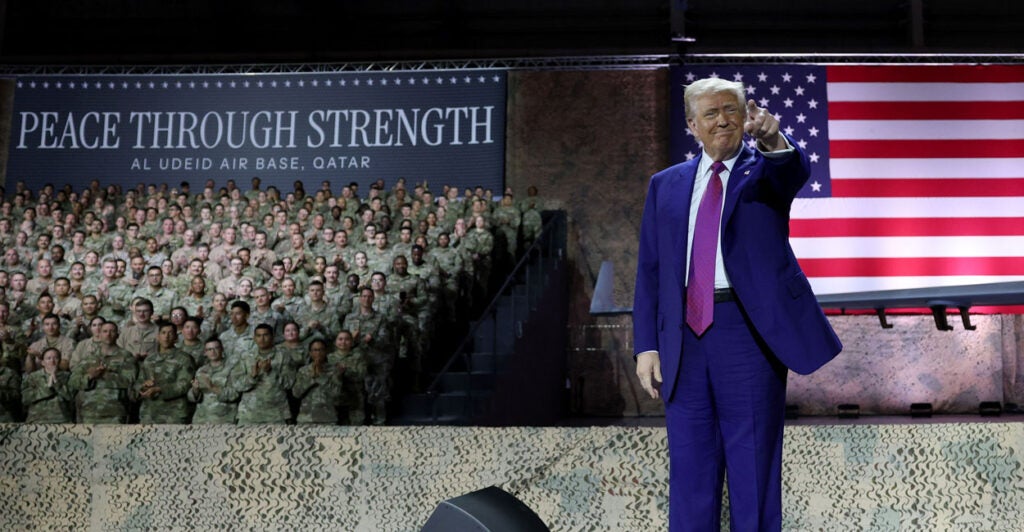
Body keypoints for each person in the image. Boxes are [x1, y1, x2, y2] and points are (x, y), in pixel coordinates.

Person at [633, 77, 842, 531]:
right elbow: (650, 270)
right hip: (683, 340)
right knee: (690, 474)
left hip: (748, 335)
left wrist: (771, 138)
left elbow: (792, 170)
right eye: (711, 113)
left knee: (753, 474)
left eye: (732, 110)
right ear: (692, 124)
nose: (724, 120)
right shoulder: (664, 186)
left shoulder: (764, 170)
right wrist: (646, 345)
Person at [136, 321, 195, 424]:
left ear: (176, 337)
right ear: (158, 337)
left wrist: (160, 389)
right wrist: (143, 386)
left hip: (174, 414)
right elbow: (138, 383)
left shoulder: (184, 359)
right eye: (163, 333)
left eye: (170, 333)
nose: (166, 337)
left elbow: (184, 385)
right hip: (149, 413)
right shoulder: (149, 360)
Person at [291, 339, 345, 424]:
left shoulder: (334, 370)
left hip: (328, 418)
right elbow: (296, 393)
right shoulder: (303, 371)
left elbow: (337, 393)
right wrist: (311, 378)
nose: (318, 353)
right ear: (310, 353)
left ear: (326, 351)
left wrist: (321, 376)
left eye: (321, 349)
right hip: (305, 418)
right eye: (315, 350)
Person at [188, 338, 240, 424]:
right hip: (202, 420)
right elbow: (192, 397)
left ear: (222, 349)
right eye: (209, 349)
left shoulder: (232, 368)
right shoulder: (201, 370)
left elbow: (235, 394)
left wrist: (212, 387)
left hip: (224, 420)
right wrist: (195, 390)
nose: (213, 352)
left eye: (216, 348)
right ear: (205, 352)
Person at [22, 347, 74, 423]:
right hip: (37, 419)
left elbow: (70, 396)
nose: (52, 361)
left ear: (59, 361)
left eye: (55, 358)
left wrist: (56, 381)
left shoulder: (67, 376)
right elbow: (25, 398)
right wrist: (47, 387)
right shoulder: (33, 377)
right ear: (42, 362)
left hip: (62, 419)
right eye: (48, 358)